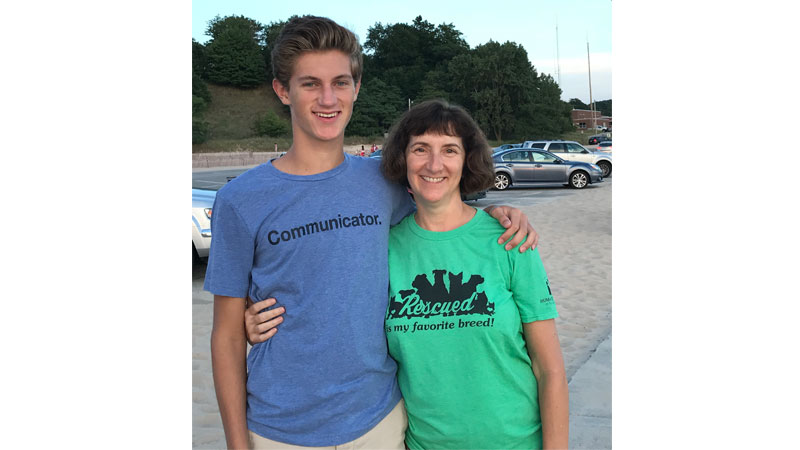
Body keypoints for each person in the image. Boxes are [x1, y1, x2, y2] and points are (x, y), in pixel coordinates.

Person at [208, 16, 539, 450]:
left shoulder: (383, 182)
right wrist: (238, 443)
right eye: (310, 84)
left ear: (356, 88)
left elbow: (442, 210)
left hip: (380, 421)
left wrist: (499, 209)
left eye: (340, 82)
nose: (328, 99)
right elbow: (227, 334)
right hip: (277, 428)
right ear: (282, 90)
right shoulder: (239, 198)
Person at [246, 100, 568, 449]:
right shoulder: (382, 246)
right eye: (420, 149)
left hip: (516, 442)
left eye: (449, 150)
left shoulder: (510, 240)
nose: (434, 164)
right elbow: (333, 303)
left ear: (467, 159)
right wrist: (251, 319)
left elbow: (549, 370)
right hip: (421, 444)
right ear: (403, 158)